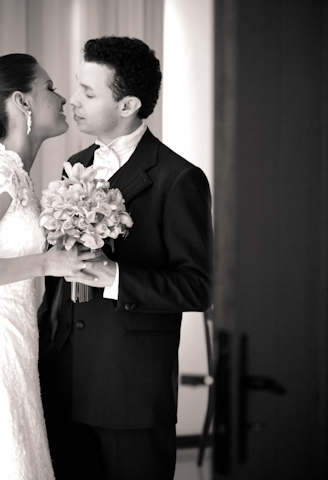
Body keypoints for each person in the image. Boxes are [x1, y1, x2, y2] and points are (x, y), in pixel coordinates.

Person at [38, 36, 213, 480]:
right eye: (77, 86)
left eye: (89, 93)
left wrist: (115, 276)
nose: (72, 101)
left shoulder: (180, 179)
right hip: (63, 379)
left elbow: (198, 287)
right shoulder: (74, 164)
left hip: (130, 392)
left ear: (128, 104)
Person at [0, 53, 99, 479]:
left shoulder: (18, 173)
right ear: (22, 102)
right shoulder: (0, 171)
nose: (61, 97)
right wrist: (47, 262)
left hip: (18, 337)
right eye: (49, 87)